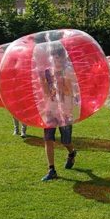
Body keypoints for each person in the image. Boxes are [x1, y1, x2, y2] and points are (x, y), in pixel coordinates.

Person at [39, 42, 79, 181]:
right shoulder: (47, 72)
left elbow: (70, 92)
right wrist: (45, 84)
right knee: (48, 139)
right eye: (54, 57)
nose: (57, 60)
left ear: (63, 57)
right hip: (50, 109)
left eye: (59, 57)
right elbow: (45, 92)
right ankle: (51, 170)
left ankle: (72, 153)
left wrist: (61, 83)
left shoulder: (68, 72)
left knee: (65, 141)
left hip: (65, 110)